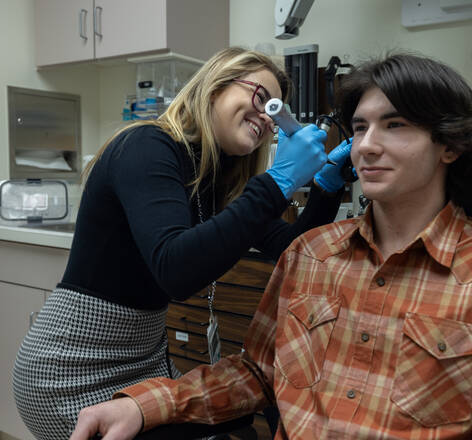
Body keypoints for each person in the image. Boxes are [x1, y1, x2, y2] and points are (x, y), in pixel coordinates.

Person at [69, 52, 472, 440]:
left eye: (395, 125)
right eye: (358, 127)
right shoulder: (309, 255)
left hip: (140, 350)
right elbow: (257, 372)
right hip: (84, 359)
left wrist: (321, 188)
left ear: (450, 145)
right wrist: (143, 404)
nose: (366, 145)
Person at [12, 47, 352, 440]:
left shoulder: (216, 180)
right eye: (262, 99)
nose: (267, 119)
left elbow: (290, 245)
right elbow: (175, 268)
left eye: (275, 114)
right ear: (215, 87)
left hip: (147, 360)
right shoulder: (147, 146)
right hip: (71, 368)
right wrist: (279, 181)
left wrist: (326, 185)